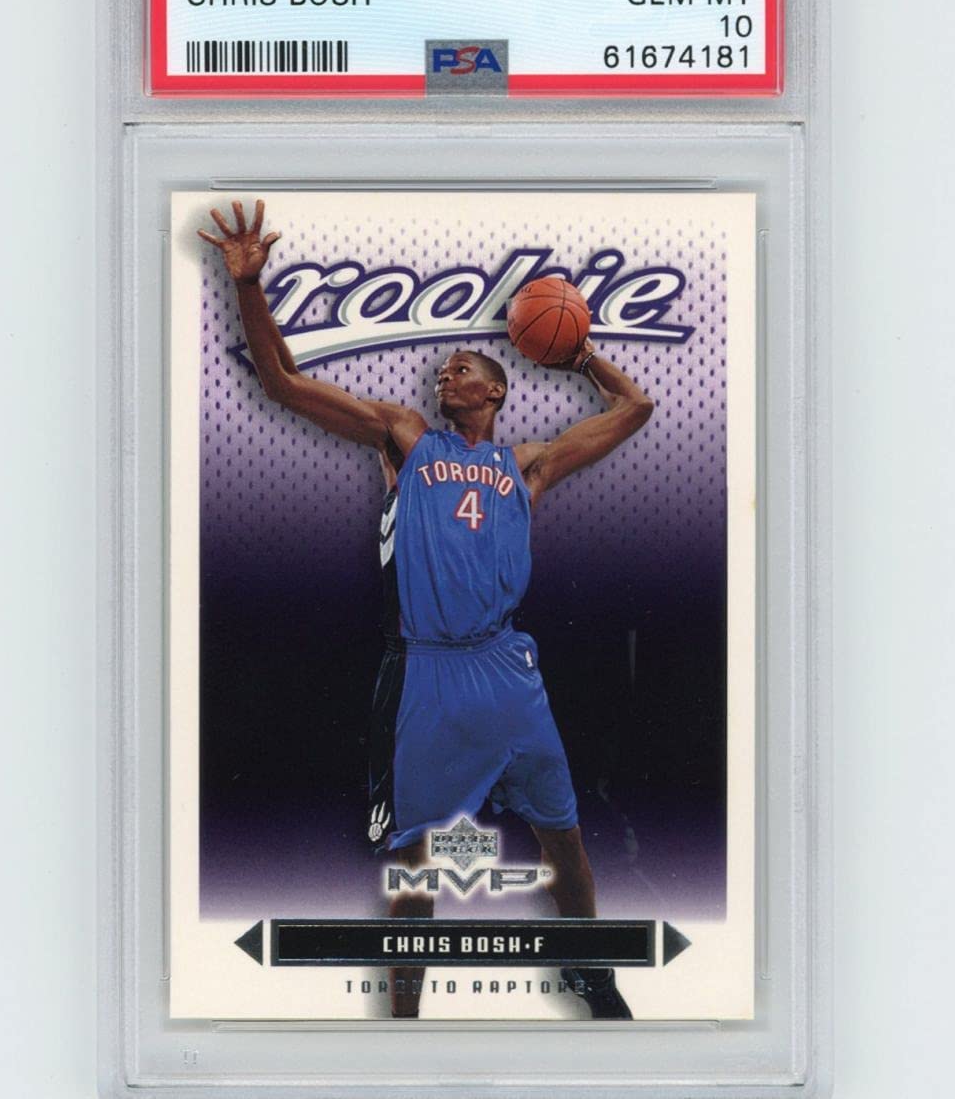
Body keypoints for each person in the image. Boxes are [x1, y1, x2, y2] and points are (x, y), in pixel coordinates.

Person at [200, 201, 655, 1019]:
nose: (444, 374)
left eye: (461, 367)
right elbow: (283, 382)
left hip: (506, 668)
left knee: (564, 836)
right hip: (428, 672)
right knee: (414, 866)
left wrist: (581, 349)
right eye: (443, 368)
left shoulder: (528, 464)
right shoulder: (405, 437)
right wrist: (249, 287)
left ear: (496, 388)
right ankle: (405, 1023)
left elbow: (636, 410)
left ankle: (593, 973)